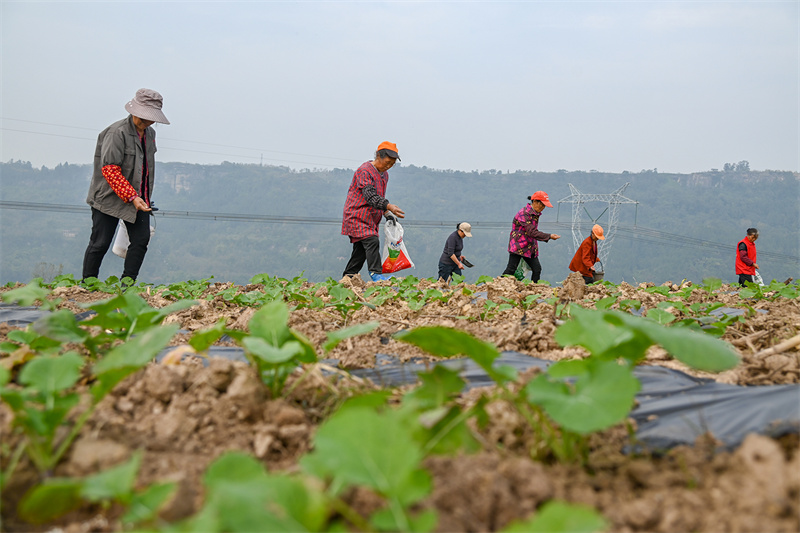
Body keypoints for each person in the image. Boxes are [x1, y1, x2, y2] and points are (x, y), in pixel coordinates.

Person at [83, 88, 169, 282]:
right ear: (133, 112)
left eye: (150, 118)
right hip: (109, 197)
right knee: (100, 243)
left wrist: (143, 196)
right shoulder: (116, 133)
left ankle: (127, 284)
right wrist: (132, 197)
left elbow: (145, 168)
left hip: (139, 198)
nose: (146, 122)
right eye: (143, 117)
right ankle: (88, 284)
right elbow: (110, 170)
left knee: (140, 240)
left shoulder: (150, 134)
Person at [341, 142, 405, 281]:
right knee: (371, 241)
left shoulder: (384, 175)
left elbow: (379, 197)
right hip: (357, 215)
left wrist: (386, 213)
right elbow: (370, 196)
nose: (388, 166)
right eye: (387, 162)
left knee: (361, 252)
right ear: (378, 156)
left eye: (392, 164)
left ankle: (348, 277)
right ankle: (376, 274)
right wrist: (389, 206)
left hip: (370, 218)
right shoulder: (365, 171)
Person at [501, 191, 560, 282]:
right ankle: (498, 286)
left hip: (529, 246)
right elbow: (532, 232)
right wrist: (549, 236)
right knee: (511, 270)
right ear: (535, 202)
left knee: (537, 269)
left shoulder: (534, 213)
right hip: (518, 245)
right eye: (542, 205)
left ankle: (534, 289)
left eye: (544, 206)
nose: (543, 208)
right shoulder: (524, 213)